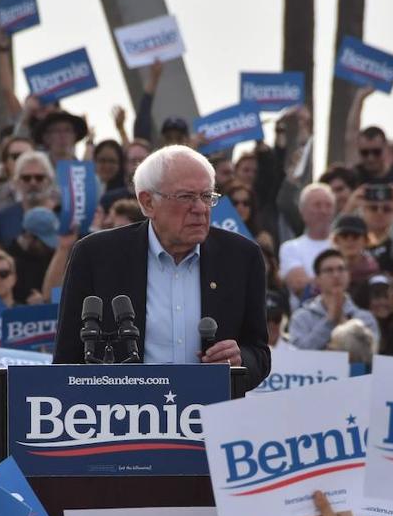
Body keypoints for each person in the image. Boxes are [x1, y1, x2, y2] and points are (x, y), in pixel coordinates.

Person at [52, 145, 271, 390]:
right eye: (186, 197)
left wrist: (240, 360)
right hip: (122, 416)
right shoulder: (95, 256)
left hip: (211, 417)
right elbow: (66, 359)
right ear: (148, 203)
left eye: (207, 196)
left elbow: (259, 353)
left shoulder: (242, 257)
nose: (200, 208)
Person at [288, 249, 379, 351]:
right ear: (317, 279)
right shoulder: (301, 317)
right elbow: (298, 355)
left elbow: (369, 356)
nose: (336, 275)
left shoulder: (364, 318)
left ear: (349, 275)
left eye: (341, 269)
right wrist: (330, 321)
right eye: (329, 270)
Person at [0, 150, 56, 250]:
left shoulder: (65, 215)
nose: (33, 183)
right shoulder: (4, 217)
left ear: (50, 181)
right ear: (17, 182)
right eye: (26, 178)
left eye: (39, 178)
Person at [279, 183, 336, 305]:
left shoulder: (343, 245)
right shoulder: (291, 248)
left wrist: (315, 281)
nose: (323, 211)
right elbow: (299, 286)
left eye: (328, 205)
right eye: (317, 205)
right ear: (302, 211)